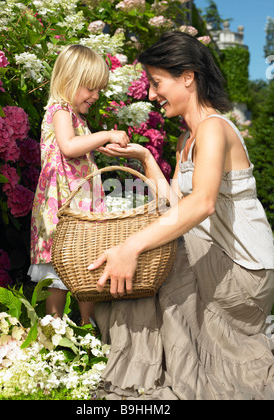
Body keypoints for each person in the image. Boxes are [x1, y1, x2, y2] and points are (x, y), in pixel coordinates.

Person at [89, 31, 274, 399]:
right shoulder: (186, 140)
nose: (151, 95)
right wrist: (145, 158)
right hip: (216, 262)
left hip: (247, 272)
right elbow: (176, 205)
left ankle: (138, 374)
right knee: (156, 242)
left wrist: (131, 247)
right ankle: (138, 368)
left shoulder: (215, 129)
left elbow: (202, 203)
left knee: (155, 250)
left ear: (187, 77)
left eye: (157, 83)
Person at [28, 45, 129, 322]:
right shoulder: (60, 110)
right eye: (90, 89)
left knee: (86, 264)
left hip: (78, 202)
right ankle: (55, 324)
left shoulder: (77, 118)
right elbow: (70, 146)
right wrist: (106, 134)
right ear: (69, 81)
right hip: (62, 205)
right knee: (57, 267)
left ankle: (88, 324)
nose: (95, 96)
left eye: (99, 90)